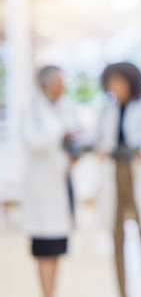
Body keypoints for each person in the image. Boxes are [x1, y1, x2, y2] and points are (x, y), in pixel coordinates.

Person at [96, 62, 141, 297]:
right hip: (114, 175)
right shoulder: (107, 111)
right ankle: (121, 292)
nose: (115, 87)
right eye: (111, 83)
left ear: (130, 82)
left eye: (119, 82)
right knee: (117, 237)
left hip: (137, 174)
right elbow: (99, 139)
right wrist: (102, 149)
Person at [20, 65, 81, 297]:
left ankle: (51, 293)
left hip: (60, 184)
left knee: (56, 247)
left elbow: (74, 133)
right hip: (41, 190)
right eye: (60, 83)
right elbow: (32, 141)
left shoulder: (62, 108)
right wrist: (60, 134)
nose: (63, 87)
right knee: (44, 249)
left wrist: (72, 146)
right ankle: (47, 294)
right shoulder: (31, 109)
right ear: (48, 84)